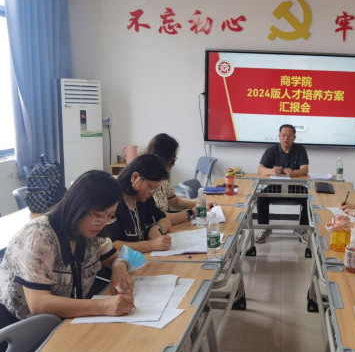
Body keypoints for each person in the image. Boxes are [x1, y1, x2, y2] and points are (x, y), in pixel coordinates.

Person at [0, 171, 135, 330]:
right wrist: (102, 306)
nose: (103, 223)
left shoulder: (90, 232)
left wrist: (119, 268)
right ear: (77, 207)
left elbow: (118, 257)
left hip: (66, 318)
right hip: (23, 328)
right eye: (98, 215)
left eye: (110, 216)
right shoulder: (39, 236)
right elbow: (38, 304)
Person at [107, 154, 173, 253]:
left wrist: (156, 228)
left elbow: (165, 219)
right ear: (135, 177)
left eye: (155, 189)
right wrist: (151, 245)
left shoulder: (143, 198)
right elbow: (113, 245)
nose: (152, 193)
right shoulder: (113, 201)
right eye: (151, 187)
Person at [144, 133, 215, 225]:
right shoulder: (145, 182)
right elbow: (157, 218)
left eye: (175, 159)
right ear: (162, 158)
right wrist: (191, 212)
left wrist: (201, 203)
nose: (173, 164)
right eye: (172, 160)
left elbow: (175, 201)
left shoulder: (161, 177)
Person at [256, 124, 309, 244]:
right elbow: (260, 168)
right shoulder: (271, 150)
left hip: (295, 188)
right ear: (279, 136)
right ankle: (264, 228)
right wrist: (272, 171)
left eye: (289, 135)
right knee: (261, 198)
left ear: (294, 138)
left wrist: (294, 172)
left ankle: (301, 229)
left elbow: (305, 169)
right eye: (283, 135)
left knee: (309, 198)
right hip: (275, 187)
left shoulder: (300, 149)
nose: (286, 138)